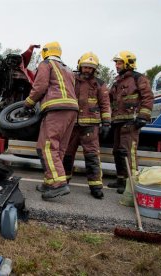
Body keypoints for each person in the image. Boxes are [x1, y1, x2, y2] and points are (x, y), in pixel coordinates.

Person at [23, 41, 79, 200]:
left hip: (56, 109)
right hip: (72, 110)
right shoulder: (67, 69)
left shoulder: (46, 64)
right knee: (59, 148)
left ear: (45, 52)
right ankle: (49, 181)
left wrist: (29, 102)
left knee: (46, 147)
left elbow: (40, 86)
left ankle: (58, 184)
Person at [62, 52, 111, 199]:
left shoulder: (99, 83)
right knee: (67, 155)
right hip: (73, 125)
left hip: (91, 126)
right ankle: (63, 182)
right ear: (80, 66)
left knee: (92, 156)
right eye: (85, 67)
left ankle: (96, 186)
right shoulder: (71, 80)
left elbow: (105, 104)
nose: (87, 70)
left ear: (94, 69)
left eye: (90, 68)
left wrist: (106, 122)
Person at [108, 51, 154, 193]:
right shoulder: (117, 81)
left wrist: (143, 116)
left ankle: (131, 184)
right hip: (118, 122)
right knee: (117, 152)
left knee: (128, 152)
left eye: (119, 62)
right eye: (116, 62)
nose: (116, 65)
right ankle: (121, 180)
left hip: (131, 121)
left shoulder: (138, 78)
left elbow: (148, 97)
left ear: (128, 63)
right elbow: (109, 99)